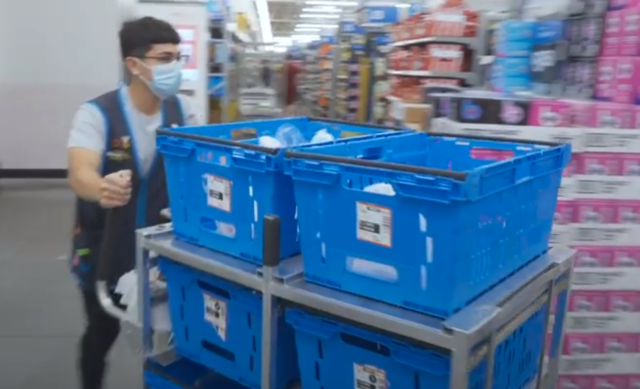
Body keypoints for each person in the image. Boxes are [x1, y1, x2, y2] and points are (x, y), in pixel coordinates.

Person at [66, 17, 200, 389]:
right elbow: (80, 171)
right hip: (107, 243)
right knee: (102, 328)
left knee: (167, 331)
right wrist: (100, 186)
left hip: (163, 245)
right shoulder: (97, 114)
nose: (174, 66)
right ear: (134, 64)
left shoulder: (183, 112)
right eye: (164, 58)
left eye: (178, 56)